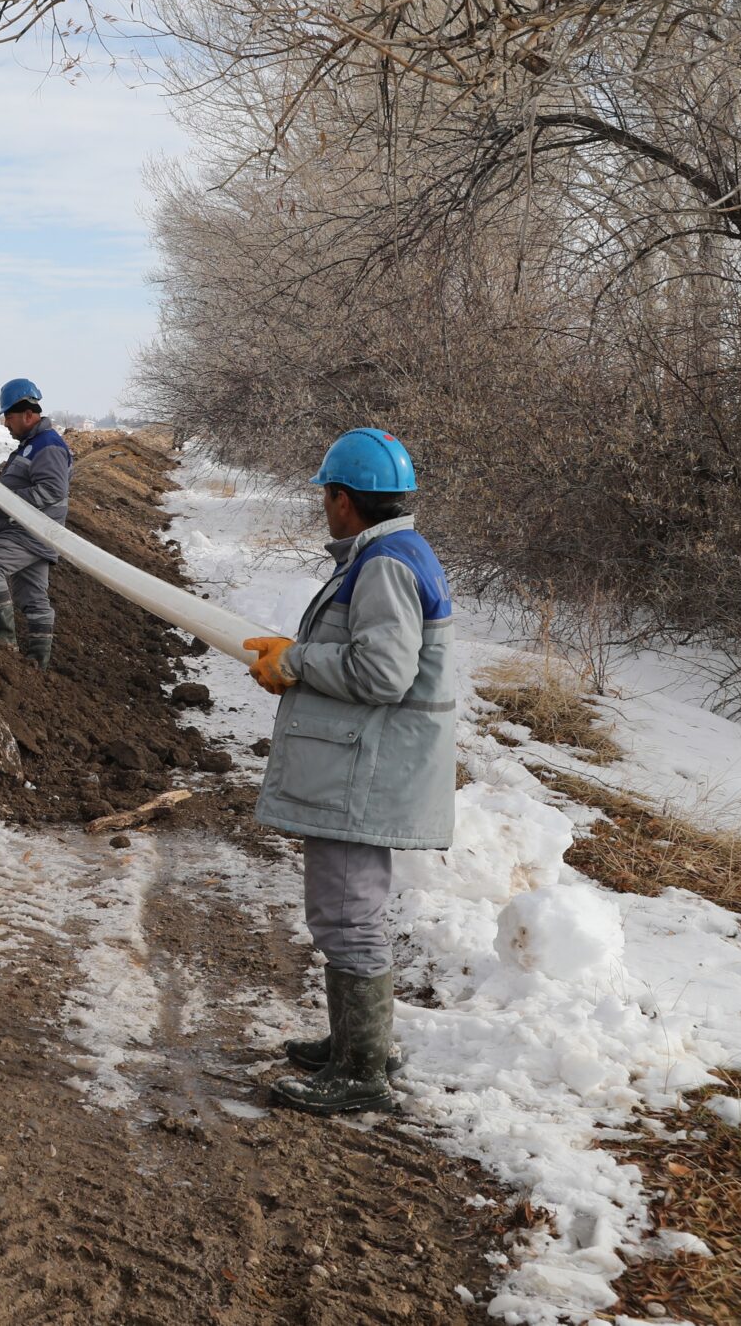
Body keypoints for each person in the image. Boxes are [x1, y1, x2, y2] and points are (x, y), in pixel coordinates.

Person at [241, 428, 457, 1116]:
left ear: (344, 499)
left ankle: (364, 1068)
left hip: (362, 771)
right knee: (349, 908)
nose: (323, 508)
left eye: (325, 496)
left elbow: (383, 672)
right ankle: (353, 1044)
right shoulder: (393, 552)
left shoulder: (386, 565)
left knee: (344, 912)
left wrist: (298, 662)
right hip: (367, 762)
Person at [0, 378, 73, 668]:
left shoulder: (47, 446)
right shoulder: (32, 445)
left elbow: (53, 490)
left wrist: (6, 497)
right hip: (33, 531)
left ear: (29, 415)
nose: (5, 423)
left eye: (9, 416)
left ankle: (4, 643)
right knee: (33, 598)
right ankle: (37, 665)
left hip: (29, 531)